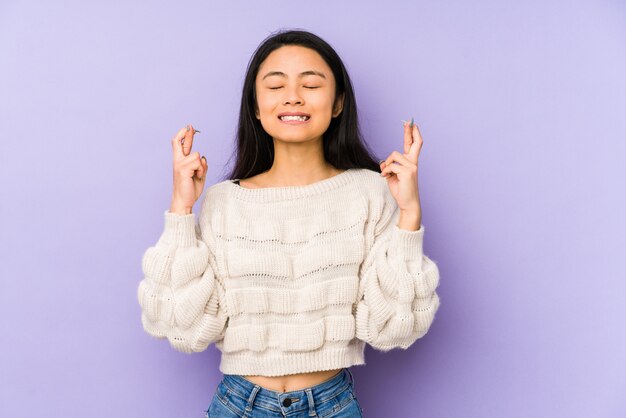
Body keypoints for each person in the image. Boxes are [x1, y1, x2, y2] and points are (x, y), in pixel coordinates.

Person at [137, 29, 441, 417]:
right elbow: (183, 326)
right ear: (257, 108)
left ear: (338, 104)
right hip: (238, 405)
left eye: (311, 84)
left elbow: (394, 328)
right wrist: (181, 209)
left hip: (331, 405)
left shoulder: (371, 191)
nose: (293, 96)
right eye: (276, 85)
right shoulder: (222, 202)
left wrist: (409, 217)